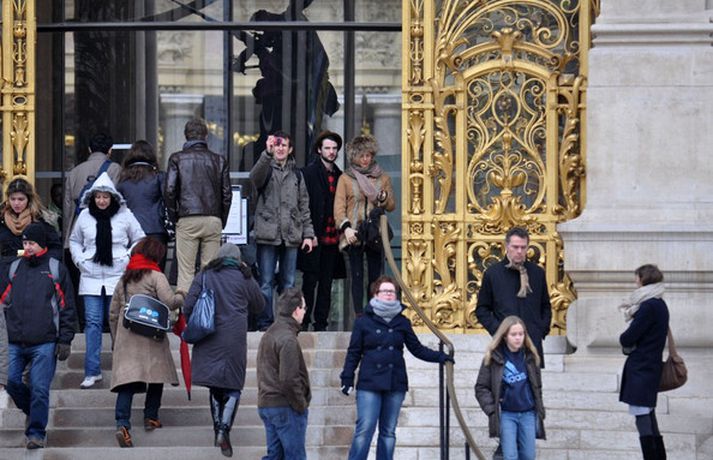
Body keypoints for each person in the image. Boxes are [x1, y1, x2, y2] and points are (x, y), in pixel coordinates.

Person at [340, 275, 451, 460]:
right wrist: (347, 377)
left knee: (388, 432)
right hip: (370, 383)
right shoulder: (363, 321)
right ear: (375, 294)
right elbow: (354, 352)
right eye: (385, 291)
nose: (389, 295)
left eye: (392, 292)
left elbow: (417, 349)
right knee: (365, 429)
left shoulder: (402, 322)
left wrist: (441, 357)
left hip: (395, 382)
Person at [0, 223, 77, 449]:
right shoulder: (14, 268)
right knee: (11, 382)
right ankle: (34, 411)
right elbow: (3, 302)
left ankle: (36, 433)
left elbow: (67, 307)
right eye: (25, 243)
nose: (27, 247)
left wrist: (65, 339)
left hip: (45, 342)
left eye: (31, 243)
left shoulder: (56, 269)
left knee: (40, 388)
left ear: (42, 244)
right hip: (15, 341)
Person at [183, 243, 264, 457]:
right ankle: (224, 429)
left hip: (208, 335)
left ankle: (218, 427)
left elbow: (187, 306)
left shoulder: (205, 275)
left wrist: (198, 320)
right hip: (233, 338)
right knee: (233, 386)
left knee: (215, 386)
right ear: (238, 260)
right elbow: (260, 305)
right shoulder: (244, 277)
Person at [69, 172, 145, 389]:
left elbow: (140, 238)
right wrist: (79, 259)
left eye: (105, 197)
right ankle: (92, 371)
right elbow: (74, 240)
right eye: (98, 197)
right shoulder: (85, 216)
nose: (101, 201)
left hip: (117, 276)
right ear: (92, 197)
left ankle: (123, 369)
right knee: (92, 323)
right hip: (90, 276)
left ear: (112, 197)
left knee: (119, 323)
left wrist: (127, 257)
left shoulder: (125, 214)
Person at [108, 237, 184, 448]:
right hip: (151, 335)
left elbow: (113, 312)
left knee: (127, 382)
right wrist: (182, 294)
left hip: (127, 336)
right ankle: (151, 416)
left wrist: (116, 339)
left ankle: (123, 424)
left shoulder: (124, 278)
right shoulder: (156, 276)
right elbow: (170, 302)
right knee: (156, 376)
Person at [250, 131, 314, 331]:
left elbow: (304, 206)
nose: (280, 148)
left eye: (283, 145)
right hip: (267, 234)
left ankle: (286, 323)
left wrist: (308, 235)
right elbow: (254, 178)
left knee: (289, 284)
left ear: (290, 149)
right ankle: (265, 323)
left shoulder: (297, 175)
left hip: (291, 235)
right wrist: (266, 154)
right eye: (277, 145)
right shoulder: (266, 168)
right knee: (265, 283)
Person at [164, 118, 232, 293]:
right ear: (206, 136)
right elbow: (226, 194)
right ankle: (208, 309)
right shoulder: (219, 160)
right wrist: (221, 219)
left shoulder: (177, 158)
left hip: (187, 218)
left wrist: (174, 217)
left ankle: (185, 310)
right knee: (210, 272)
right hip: (213, 219)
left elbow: (170, 191)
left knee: (185, 273)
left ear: (186, 136)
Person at [334, 134, 395, 315]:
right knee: (357, 276)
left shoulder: (382, 177)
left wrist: (384, 198)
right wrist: (346, 229)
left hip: (375, 232)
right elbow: (339, 207)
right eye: (361, 156)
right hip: (354, 232)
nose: (365, 159)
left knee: (376, 276)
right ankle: (359, 315)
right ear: (354, 157)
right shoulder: (345, 178)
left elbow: (391, 206)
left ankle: (374, 312)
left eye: (368, 155)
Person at [475, 227, 552, 368]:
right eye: (515, 247)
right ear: (507, 246)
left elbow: (545, 306)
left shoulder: (537, 273)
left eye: (523, 247)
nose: (519, 251)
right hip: (503, 343)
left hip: (532, 343)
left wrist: (541, 330)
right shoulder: (493, 274)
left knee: (533, 381)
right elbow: (482, 309)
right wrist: (500, 331)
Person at [475, 316, 545, 460]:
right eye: (513, 334)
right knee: (510, 455)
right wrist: (492, 410)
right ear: (505, 336)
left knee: (528, 455)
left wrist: (539, 407)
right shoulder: (493, 357)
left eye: (521, 334)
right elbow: (481, 387)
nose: (518, 338)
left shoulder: (530, 356)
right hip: (507, 414)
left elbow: (537, 385)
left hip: (528, 413)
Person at [618, 264, 669, 460]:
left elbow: (629, 337)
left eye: (637, 277)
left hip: (641, 369)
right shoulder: (660, 304)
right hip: (650, 367)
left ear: (643, 279)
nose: (635, 281)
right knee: (649, 416)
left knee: (643, 418)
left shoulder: (648, 306)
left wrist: (623, 338)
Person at [298, 130, 346, 331]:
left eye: (334, 148)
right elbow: (303, 206)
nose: (331, 151)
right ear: (319, 150)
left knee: (327, 284)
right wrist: (308, 234)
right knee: (309, 283)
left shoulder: (340, 176)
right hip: (313, 236)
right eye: (327, 148)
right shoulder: (307, 173)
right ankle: (303, 322)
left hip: (332, 238)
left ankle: (321, 325)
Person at [257, 287, 311, 460]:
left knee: (275, 456)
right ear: (296, 311)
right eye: (304, 308)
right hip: (285, 406)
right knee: (295, 456)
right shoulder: (287, 338)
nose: (305, 312)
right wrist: (301, 404)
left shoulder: (270, 333)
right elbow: (289, 379)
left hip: (268, 404)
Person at [117, 140, 170, 268]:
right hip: (156, 230)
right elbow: (169, 200)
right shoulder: (159, 177)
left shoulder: (123, 180)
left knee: (135, 272)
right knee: (156, 271)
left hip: (131, 231)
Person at [0, 177, 62, 266]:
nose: (16, 203)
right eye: (13, 199)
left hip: (33, 268)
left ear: (29, 200)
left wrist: (42, 264)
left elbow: (55, 248)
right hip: (6, 269)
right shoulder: (2, 219)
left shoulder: (40, 219)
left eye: (21, 199)